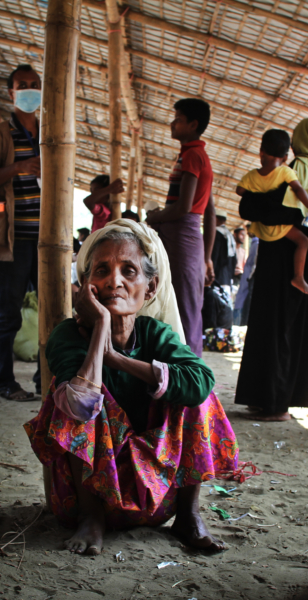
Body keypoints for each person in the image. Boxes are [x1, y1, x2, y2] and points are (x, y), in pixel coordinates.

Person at [25, 219, 238, 555]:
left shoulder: (155, 334)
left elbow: (201, 384)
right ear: (85, 286)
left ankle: (188, 515)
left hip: (153, 494)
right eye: (102, 271)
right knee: (75, 393)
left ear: (150, 288)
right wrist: (101, 330)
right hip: (85, 494)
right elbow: (77, 406)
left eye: (129, 271)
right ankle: (90, 517)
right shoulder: (68, 336)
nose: (115, 281)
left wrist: (118, 359)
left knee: (195, 392)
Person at [234, 118, 308, 421]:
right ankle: (269, 399)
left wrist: (260, 209)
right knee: (286, 329)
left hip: (283, 260)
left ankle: (275, 403)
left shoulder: (303, 169)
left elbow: (262, 209)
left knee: (276, 327)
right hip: (299, 257)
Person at [0, 64, 42, 401]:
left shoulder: (51, 132)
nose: (29, 90)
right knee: (11, 309)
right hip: (16, 238)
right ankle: (5, 382)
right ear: (11, 92)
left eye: (35, 85)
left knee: (52, 311)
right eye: (22, 85)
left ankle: (48, 378)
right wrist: (19, 167)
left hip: (49, 241)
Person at [145, 98, 216, 357]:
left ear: (193, 124)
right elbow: (210, 211)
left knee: (183, 307)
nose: (172, 123)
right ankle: (183, 366)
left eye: (178, 119)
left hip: (182, 235)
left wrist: (155, 217)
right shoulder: (198, 155)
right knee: (184, 304)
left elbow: (184, 208)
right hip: (189, 239)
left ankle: (189, 372)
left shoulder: (192, 155)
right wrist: (206, 258)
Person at [236, 129, 308, 295]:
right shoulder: (286, 172)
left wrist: (259, 193)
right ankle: (298, 276)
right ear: (285, 158)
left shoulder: (251, 176)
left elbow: (240, 191)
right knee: (304, 241)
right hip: (281, 228)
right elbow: (299, 190)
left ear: (261, 153)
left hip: (262, 230)